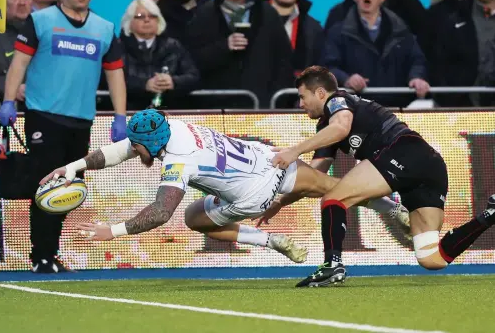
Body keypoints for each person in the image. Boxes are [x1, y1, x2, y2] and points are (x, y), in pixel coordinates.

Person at [41, 110, 408, 262]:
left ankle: (270, 240)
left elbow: (159, 213)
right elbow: (117, 150)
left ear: (151, 143)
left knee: (192, 217)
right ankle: (393, 207)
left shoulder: (178, 161)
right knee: (335, 186)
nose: (133, 151)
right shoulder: (173, 126)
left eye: (138, 147)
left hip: (253, 195)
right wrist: (71, 167)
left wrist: (113, 230)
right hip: (267, 158)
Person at [266, 66, 495, 287]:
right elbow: (315, 177)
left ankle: (332, 265)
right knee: (431, 258)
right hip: (429, 167)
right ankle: (489, 215)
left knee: (334, 198)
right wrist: (281, 201)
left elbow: (341, 128)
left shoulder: (338, 101)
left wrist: (295, 150)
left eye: (303, 96)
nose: (300, 104)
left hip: (403, 151)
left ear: (320, 93)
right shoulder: (326, 126)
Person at [0, 0, 128, 273]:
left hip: (81, 119)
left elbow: (115, 73)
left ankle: (49, 254)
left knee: (67, 189)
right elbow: (19, 63)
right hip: (43, 114)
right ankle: (41, 256)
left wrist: (120, 116)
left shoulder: (104, 29)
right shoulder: (40, 21)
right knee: (46, 185)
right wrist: (8, 100)